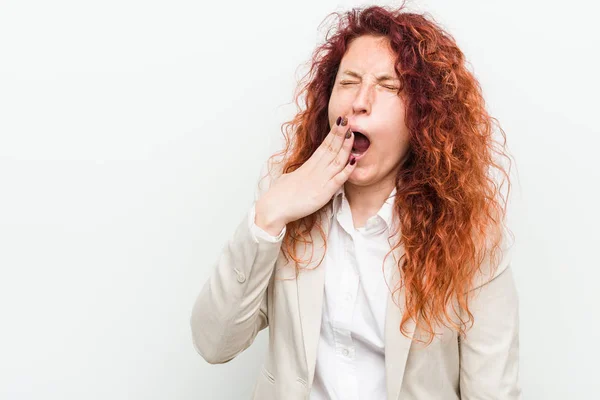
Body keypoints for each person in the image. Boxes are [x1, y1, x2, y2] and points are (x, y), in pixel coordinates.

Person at [190, 4, 520, 400]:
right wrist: (270, 213)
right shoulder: (285, 199)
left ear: (423, 117)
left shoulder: (472, 232)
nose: (359, 102)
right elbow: (214, 343)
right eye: (348, 82)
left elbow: (493, 392)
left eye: (388, 86)